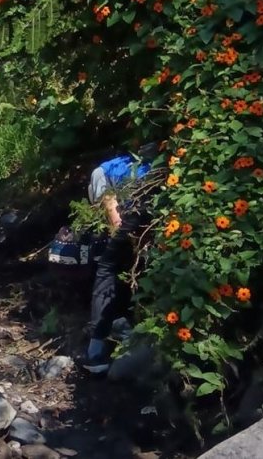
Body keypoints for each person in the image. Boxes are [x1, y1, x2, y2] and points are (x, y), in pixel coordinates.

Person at [81, 148, 157, 374]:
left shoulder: (112, 167)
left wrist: (113, 216)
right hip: (160, 216)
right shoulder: (161, 156)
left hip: (137, 213)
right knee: (139, 268)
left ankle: (96, 353)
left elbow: (106, 197)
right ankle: (133, 332)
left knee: (107, 270)